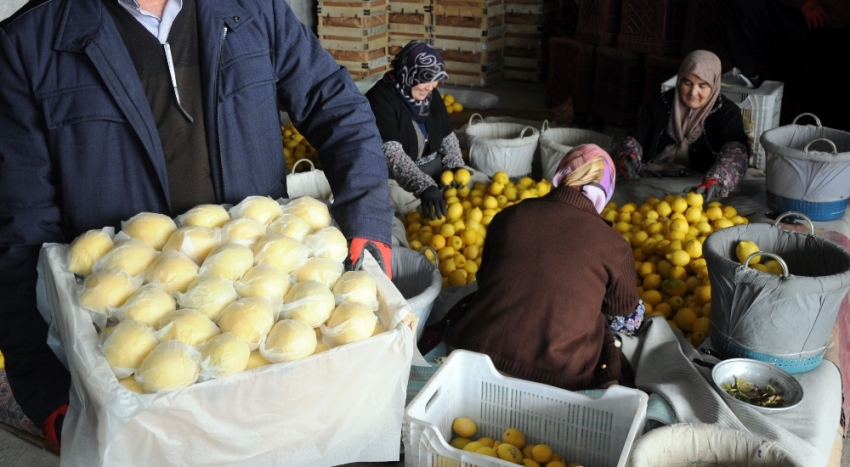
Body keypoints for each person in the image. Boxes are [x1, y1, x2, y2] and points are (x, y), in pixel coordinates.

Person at [0, 0, 394, 451]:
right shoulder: (31, 41)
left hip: (258, 313)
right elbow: (20, 229)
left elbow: (335, 102)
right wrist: (41, 382)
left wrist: (368, 214)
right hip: (130, 350)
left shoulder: (252, 7)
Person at [447, 145, 645, 390]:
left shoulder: (508, 216)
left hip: (474, 353)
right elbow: (625, 320)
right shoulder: (615, 246)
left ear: (559, 176)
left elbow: (485, 279)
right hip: (561, 374)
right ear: (606, 193)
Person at [615, 50, 749, 204]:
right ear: (679, 80)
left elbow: (736, 152)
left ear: (714, 85)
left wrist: (715, 182)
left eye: (703, 85)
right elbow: (635, 138)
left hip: (701, 184)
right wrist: (629, 156)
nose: (693, 92)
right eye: (687, 83)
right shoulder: (661, 103)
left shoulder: (727, 113)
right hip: (655, 177)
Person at [366, 41, 465, 220]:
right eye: (426, 78)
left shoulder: (429, 95)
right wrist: (423, 186)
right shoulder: (380, 99)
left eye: (435, 80)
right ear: (408, 73)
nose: (431, 86)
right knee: (413, 215)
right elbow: (391, 154)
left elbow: (447, 137)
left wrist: (455, 166)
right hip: (396, 180)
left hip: (434, 172)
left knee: (474, 186)